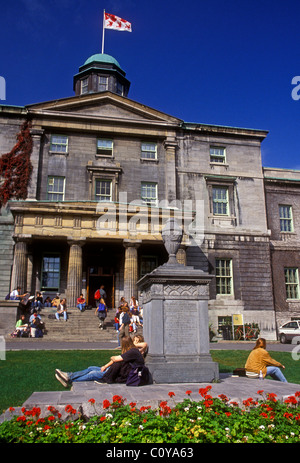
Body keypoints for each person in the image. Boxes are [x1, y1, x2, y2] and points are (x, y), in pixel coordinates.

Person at [55, 336, 145, 386]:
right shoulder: (132, 351)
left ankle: (70, 380)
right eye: (134, 340)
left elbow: (115, 359)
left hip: (120, 374)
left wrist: (113, 357)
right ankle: (69, 375)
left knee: (93, 374)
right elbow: (116, 359)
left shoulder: (133, 351)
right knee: (91, 368)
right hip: (114, 370)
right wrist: (105, 366)